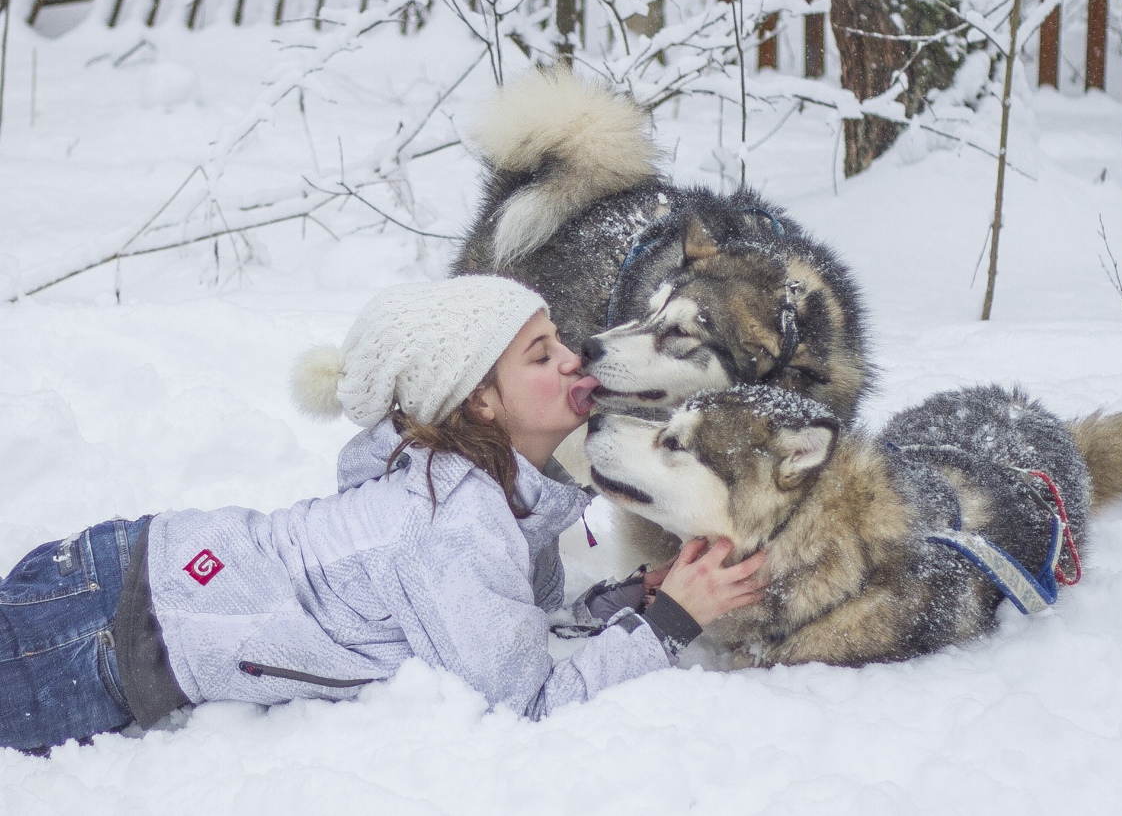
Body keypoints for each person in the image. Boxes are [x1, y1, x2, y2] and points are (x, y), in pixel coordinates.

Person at [0, 276, 767, 753]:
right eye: (541, 354)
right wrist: (667, 622)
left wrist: (628, 600)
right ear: (480, 399)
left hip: (120, 586)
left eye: (559, 339)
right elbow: (528, 704)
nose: (576, 357)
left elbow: (509, 630)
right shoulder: (449, 526)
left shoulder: (489, 500)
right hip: (103, 627)